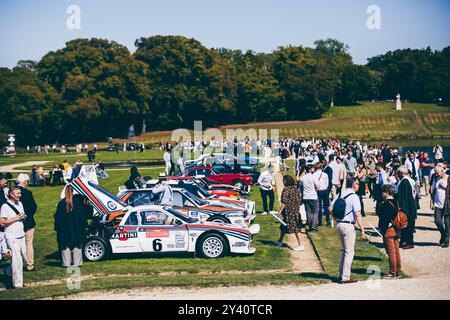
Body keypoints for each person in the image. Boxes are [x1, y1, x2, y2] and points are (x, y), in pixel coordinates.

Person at [331, 177, 366, 284]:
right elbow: (357, 214)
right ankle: (345, 276)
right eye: (357, 184)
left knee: (345, 250)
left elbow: (330, 208)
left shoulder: (340, 194)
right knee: (349, 252)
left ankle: (341, 273)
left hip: (339, 224)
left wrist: (335, 218)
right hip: (348, 225)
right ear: (353, 185)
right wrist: (362, 230)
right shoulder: (354, 197)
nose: (359, 186)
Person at [54, 186, 88, 267]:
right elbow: (82, 217)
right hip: (77, 229)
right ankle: (77, 262)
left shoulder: (61, 204)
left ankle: (66, 263)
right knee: (77, 246)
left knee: (65, 246)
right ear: (73, 192)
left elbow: (57, 218)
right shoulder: (78, 203)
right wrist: (85, 226)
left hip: (64, 230)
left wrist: (57, 228)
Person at [0, 188, 28, 288]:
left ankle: (8, 271)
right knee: (18, 260)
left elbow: (22, 215)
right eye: (18, 193)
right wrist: (16, 218)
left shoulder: (20, 203)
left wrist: (23, 216)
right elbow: (2, 222)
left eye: (20, 193)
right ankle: (18, 284)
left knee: (23, 256)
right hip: (11, 236)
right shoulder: (5, 206)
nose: (20, 195)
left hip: (21, 234)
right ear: (11, 194)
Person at [376, 184, 402, 279]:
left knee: (390, 251)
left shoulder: (385, 204)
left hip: (389, 229)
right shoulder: (396, 202)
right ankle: (398, 270)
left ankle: (392, 272)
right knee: (396, 251)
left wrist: (382, 229)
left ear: (386, 193)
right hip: (397, 228)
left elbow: (384, 219)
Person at [274, 175, 305, 251]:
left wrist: (279, 212)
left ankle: (300, 244)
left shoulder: (286, 189)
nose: (283, 182)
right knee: (283, 226)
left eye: (284, 180)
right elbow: (299, 200)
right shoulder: (295, 189)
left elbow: (284, 202)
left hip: (289, 211)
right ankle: (280, 241)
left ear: (286, 181)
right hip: (296, 210)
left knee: (295, 228)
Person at [16, 174, 37, 271]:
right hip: (28, 221)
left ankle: (18, 263)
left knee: (18, 244)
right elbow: (33, 207)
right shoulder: (28, 193)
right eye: (27, 182)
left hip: (16, 221)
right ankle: (29, 264)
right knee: (29, 243)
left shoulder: (12, 192)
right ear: (25, 182)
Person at [396, 166, 417, 249]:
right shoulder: (406, 180)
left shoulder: (405, 182)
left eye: (398, 173)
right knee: (405, 226)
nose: (397, 175)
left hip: (407, 207)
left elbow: (404, 197)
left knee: (408, 226)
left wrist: (402, 208)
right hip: (409, 206)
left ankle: (409, 242)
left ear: (401, 173)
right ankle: (403, 241)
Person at [432, 165, 449, 248]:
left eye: (437, 173)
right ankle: (443, 234)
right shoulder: (436, 178)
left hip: (447, 204)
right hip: (437, 204)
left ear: (442, 171)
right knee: (437, 221)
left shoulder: (448, 178)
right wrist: (431, 201)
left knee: (447, 223)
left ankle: (446, 240)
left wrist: (446, 187)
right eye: (435, 173)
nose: (436, 174)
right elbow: (433, 190)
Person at [300, 165, 319, 232]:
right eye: (313, 168)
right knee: (315, 212)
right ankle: (313, 225)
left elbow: (301, 187)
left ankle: (310, 225)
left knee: (308, 212)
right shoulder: (313, 177)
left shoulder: (303, 178)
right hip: (313, 196)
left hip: (306, 196)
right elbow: (317, 186)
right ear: (310, 169)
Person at [0, 174, 11, 261]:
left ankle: (4, 252)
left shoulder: (2, 190)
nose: (6, 182)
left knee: (2, 235)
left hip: (2, 216)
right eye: (4, 181)